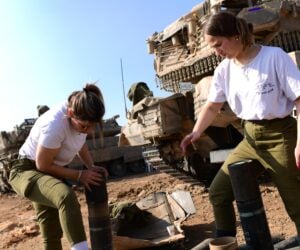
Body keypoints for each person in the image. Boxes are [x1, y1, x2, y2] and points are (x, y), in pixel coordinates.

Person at [180, 11, 300, 239]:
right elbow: (213, 106)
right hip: (251, 139)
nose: (216, 52)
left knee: (296, 203)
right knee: (218, 192)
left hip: (281, 135)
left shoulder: (274, 57)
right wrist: (195, 132)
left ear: (236, 35)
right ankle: (227, 243)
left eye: (218, 44)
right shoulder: (224, 70)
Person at [9, 83, 106, 250]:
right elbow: (42, 164)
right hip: (27, 170)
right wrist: (79, 175)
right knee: (65, 197)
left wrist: (91, 166)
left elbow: (79, 143)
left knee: (51, 232)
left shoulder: (80, 115)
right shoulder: (55, 125)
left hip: (49, 172)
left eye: (92, 127)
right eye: (84, 126)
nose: (88, 131)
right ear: (70, 114)